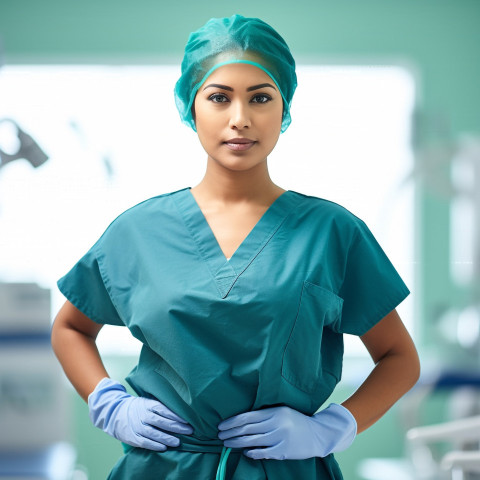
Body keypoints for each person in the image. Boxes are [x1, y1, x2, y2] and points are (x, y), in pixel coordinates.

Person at [51, 13, 420, 480]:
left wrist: (333, 427)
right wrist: (108, 402)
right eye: (219, 98)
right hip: (163, 469)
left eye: (260, 98)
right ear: (191, 106)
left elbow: (400, 357)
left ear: (283, 109)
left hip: (287, 469)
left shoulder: (333, 232)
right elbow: (70, 327)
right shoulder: (137, 231)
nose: (240, 119)